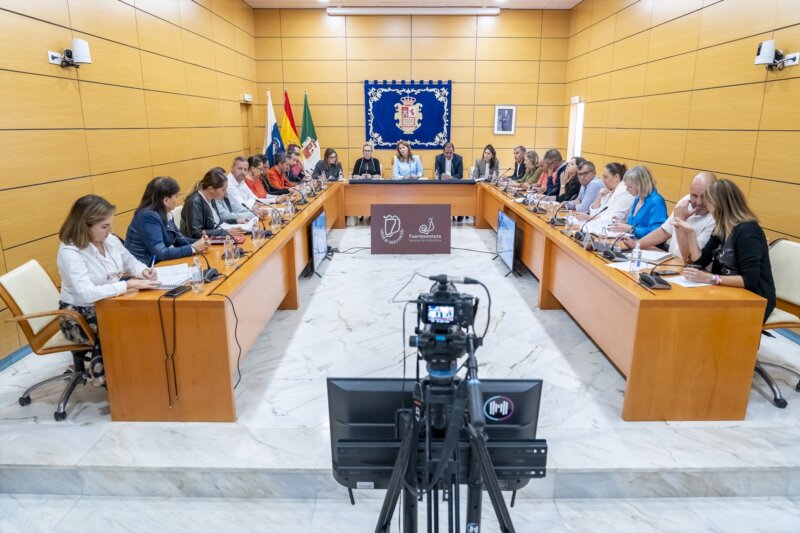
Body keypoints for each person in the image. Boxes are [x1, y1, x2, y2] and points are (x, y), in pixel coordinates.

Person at [58, 196, 159, 384]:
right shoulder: (70, 252)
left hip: (110, 301)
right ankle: (121, 382)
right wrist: (127, 285)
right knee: (123, 326)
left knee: (147, 316)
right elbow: (86, 293)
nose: (110, 231)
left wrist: (143, 271)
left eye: (110, 225)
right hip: (78, 314)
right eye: (104, 226)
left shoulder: (110, 240)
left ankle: (145, 373)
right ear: (85, 225)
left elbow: (130, 261)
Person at [680, 179, 775, 322]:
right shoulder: (722, 227)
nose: (706, 206)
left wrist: (709, 278)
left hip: (754, 297)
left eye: (709, 202)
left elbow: (749, 280)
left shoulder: (748, 231)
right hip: (725, 289)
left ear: (721, 205)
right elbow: (700, 260)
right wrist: (691, 234)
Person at [621, 172, 717, 257]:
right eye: (694, 196)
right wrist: (637, 244)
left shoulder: (715, 219)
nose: (698, 202)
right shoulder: (685, 201)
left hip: (691, 271)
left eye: (704, 197)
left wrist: (680, 221)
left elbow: (690, 258)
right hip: (671, 262)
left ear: (714, 195)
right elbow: (665, 231)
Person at [125, 177, 209, 264]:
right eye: (176, 196)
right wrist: (193, 248)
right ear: (165, 200)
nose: (177, 200)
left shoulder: (165, 213)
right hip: (143, 267)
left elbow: (178, 239)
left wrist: (200, 242)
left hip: (157, 264)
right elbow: (161, 253)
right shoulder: (148, 217)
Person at [181, 167, 247, 239]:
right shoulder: (194, 202)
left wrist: (236, 221)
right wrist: (226, 232)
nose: (226, 193)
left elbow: (217, 223)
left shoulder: (211, 198)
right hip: (197, 245)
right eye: (223, 190)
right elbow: (196, 234)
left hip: (213, 240)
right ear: (211, 189)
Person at [607, 165, 668, 239]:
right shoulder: (637, 198)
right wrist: (622, 223)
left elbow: (655, 233)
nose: (627, 189)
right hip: (632, 241)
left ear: (641, 185)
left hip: (648, 246)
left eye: (630, 187)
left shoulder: (657, 202)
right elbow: (635, 224)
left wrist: (630, 229)